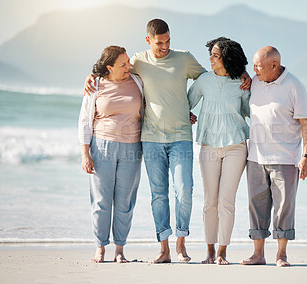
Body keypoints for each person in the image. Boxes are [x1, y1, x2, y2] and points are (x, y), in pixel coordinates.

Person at [84, 19, 251, 264]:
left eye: (168, 41)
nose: (165, 46)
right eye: (160, 42)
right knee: (158, 195)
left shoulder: (184, 59)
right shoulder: (138, 61)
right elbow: (113, 69)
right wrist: (91, 75)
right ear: (148, 40)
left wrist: (242, 71)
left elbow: (215, 80)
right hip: (150, 138)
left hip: (181, 136)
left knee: (184, 191)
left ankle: (181, 243)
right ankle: (164, 248)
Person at [241, 46, 307, 267]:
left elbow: (306, 123)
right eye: (253, 66)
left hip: (285, 158)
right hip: (255, 157)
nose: (254, 70)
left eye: (259, 66)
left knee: (284, 207)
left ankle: (281, 254)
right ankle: (258, 254)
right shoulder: (254, 82)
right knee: (256, 207)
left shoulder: (294, 86)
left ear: (274, 65)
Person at [78, 46, 144, 263]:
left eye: (128, 62)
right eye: (123, 64)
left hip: (132, 148)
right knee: (101, 200)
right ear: (109, 67)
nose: (128, 67)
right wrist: (85, 153)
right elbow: (85, 121)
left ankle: (120, 249)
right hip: (102, 147)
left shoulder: (137, 81)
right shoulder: (95, 84)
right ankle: (100, 248)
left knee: (125, 202)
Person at [188, 37, 250, 265]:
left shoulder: (241, 84)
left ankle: (223, 251)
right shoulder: (204, 80)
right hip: (209, 146)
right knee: (209, 201)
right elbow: (186, 102)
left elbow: (252, 111)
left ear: (228, 58)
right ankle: (210, 251)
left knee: (226, 200)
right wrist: (188, 115)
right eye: (211, 55)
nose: (211, 59)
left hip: (236, 146)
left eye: (215, 55)